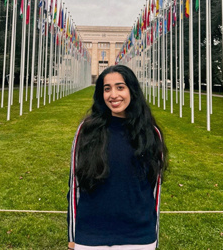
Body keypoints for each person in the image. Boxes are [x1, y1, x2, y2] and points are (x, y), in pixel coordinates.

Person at [67, 65, 168, 250]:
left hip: (139, 236)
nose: (113, 95)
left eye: (120, 87)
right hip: (91, 235)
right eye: (107, 89)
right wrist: (73, 235)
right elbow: (75, 186)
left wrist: (152, 234)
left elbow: (155, 190)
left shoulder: (150, 133)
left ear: (132, 90)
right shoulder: (87, 130)